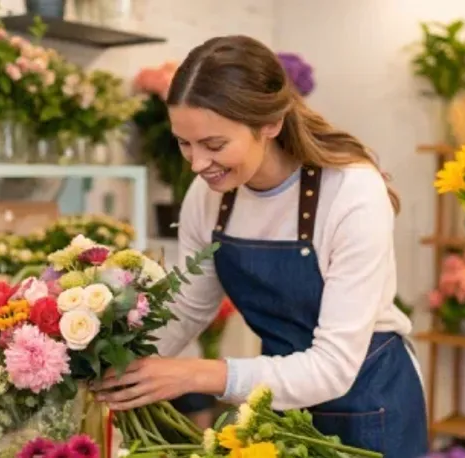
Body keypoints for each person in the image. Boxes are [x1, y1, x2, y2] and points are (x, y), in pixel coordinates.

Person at [97, 35, 428, 458]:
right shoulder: (209, 195)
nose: (198, 164)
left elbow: (331, 368)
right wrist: (117, 369)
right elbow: (187, 308)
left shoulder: (351, 191)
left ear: (270, 125)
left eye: (215, 145)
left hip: (370, 401)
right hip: (276, 401)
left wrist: (192, 375)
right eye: (185, 143)